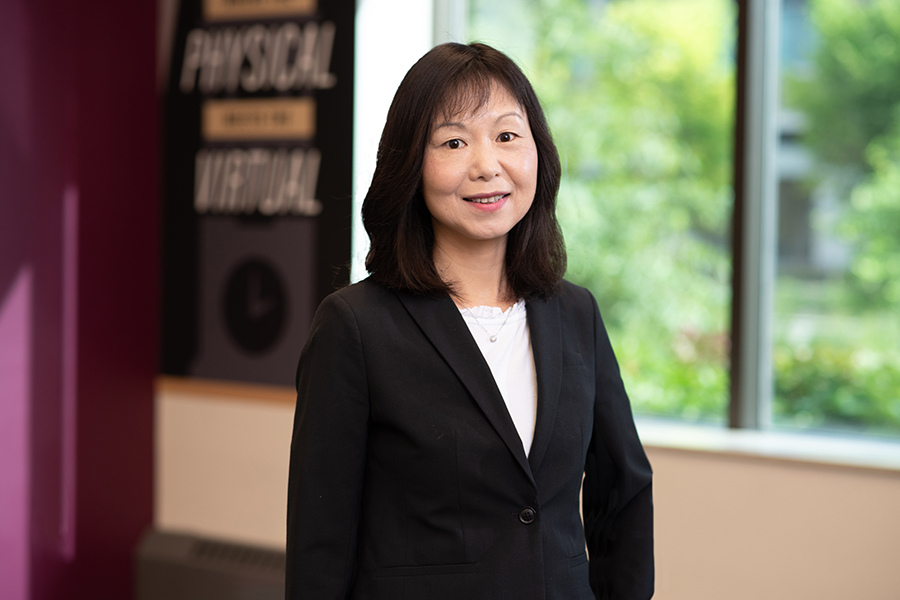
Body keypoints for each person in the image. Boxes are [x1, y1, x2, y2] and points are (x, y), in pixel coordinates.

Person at [286, 42, 653, 600]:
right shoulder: (355, 327)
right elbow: (322, 537)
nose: (487, 165)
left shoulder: (575, 313)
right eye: (454, 142)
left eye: (507, 136)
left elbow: (621, 492)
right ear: (411, 163)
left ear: (538, 154)